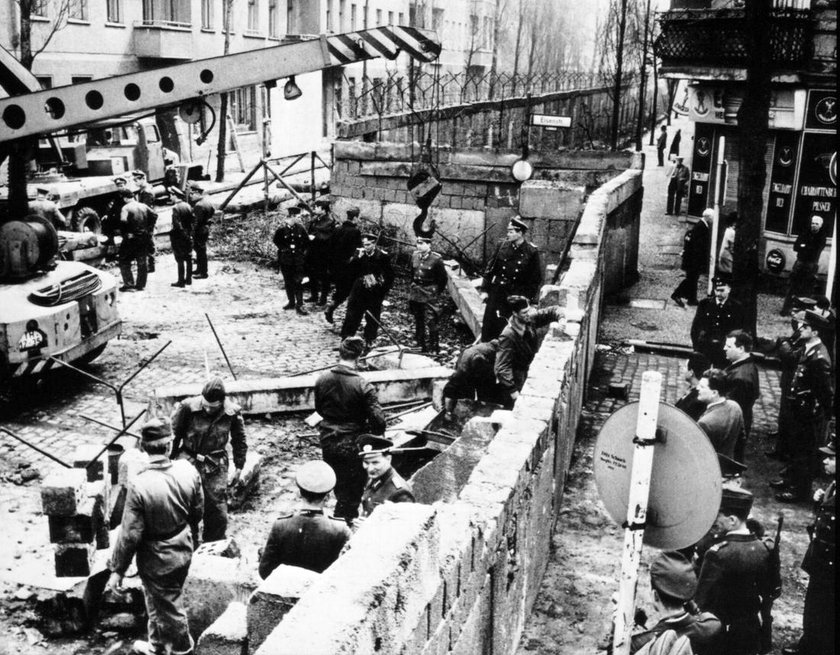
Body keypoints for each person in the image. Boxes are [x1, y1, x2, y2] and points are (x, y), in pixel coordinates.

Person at [105, 418, 203, 655]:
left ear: (143, 447)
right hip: (183, 544)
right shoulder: (188, 470)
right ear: (169, 445)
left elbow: (130, 534)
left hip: (157, 558)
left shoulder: (140, 485)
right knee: (159, 600)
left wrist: (117, 570)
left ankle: (182, 650)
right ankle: (157, 646)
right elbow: (198, 511)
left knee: (168, 606)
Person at [694, 487, 778, 655]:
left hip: (719, 635)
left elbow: (702, 601)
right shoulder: (764, 549)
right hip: (750, 631)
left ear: (732, 520)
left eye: (718, 516)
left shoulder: (718, 554)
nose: (714, 522)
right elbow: (771, 590)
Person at [314, 336, 386, 523]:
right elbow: (379, 421)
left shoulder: (322, 379)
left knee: (338, 484)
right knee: (353, 490)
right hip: (353, 444)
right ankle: (343, 525)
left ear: (340, 353)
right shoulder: (363, 386)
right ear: (359, 358)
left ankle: (341, 516)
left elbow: (319, 409)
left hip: (328, 440)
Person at [170, 376, 247, 542]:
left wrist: (239, 466)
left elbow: (239, 440)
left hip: (215, 463)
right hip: (188, 459)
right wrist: (170, 461)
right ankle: (189, 541)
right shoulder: (187, 407)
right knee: (185, 502)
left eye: (212, 408)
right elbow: (175, 435)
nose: (207, 410)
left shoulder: (232, 412)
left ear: (221, 402)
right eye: (205, 406)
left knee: (217, 508)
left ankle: (214, 545)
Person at [773, 310, 834, 503]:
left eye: (806, 327)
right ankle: (790, 479)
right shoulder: (808, 348)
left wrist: (824, 413)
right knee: (795, 446)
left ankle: (799, 490)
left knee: (804, 452)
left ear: (815, 332)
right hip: (799, 408)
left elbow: (825, 391)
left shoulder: (819, 358)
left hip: (809, 413)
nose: (801, 329)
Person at [782, 437, 835, 655]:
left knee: (824, 609)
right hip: (821, 560)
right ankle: (810, 642)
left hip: (830, 565)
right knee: (815, 606)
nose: (825, 461)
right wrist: (818, 503)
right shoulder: (833, 485)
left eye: (832, 458)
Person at [258, 460, 351, 578]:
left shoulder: (280, 526)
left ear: (299, 494)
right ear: (327, 497)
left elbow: (264, 571)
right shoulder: (340, 529)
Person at [630, 551, 722, 655]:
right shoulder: (710, 627)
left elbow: (614, 649)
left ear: (655, 595)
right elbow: (703, 618)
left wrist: (617, 622)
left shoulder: (639, 644)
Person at [480, 217, 543, 342]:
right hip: (497, 292)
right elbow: (490, 269)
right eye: (508, 231)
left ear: (520, 233)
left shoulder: (531, 251)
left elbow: (535, 279)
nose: (507, 234)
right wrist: (484, 290)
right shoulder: (502, 245)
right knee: (490, 326)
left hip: (515, 296)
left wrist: (527, 298)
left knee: (511, 330)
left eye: (511, 231)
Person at [495, 296, 564, 408]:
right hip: (516, 380)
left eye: (528, 310)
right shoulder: (508, 335)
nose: (528, 314)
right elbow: (502, 367)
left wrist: (561, 320)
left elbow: (552, 310)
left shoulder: (528, 320)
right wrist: (514, 392)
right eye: (524, 312)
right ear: (515, 313)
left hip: (528, 372)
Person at [340, 232, 394, 349]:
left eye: (368, 244)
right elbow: (349, 270)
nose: (366, 247)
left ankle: (370, 339)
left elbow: (390, 276)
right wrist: (356, 258)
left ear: (374, 244)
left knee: (372, 316)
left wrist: (382, 291)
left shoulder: (382, 256)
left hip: (374, 291)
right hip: (359, 289)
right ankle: (347, 339)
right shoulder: (359, 254)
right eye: (364, 244)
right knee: (352, 314)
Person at [767, 309, 806, 461]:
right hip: (788, 378)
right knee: (784, 415)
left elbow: (791, 356)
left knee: (788, 416)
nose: (793, 314)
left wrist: (783, 343)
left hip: (793, 380)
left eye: (797, 312)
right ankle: (781, 448)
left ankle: (783, 450)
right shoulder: (798, 331)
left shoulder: (803, 334)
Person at [690, 274, 746, 368]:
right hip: (705, 348)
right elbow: (695, 328)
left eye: (722, 290)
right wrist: (697, 348)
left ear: (729, 289)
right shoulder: (705, 304)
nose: (718, 294)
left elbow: (739, 331)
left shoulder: (736, 307)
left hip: (723, 351)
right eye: (716, 290)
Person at [442, 339, 504, 418]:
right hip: (473, 362)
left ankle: (450, 412)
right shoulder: (490, 352)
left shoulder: (485, 347)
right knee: (479, 388)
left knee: (467, 388)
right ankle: (451, 412)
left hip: (468, 360)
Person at [358, 434, 415, 519]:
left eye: (375, 463)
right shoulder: (375, 477)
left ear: (388, 459)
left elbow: (404, 527)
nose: (370, 469)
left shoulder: (400, 491)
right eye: (366, 462)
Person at [723, 330, 759, 462]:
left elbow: (729, 409)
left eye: (729, 346)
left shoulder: (741, 378)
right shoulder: (747, 367)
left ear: (741, 348)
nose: (724, 348)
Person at [408, 235, 448, 353]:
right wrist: (413, 285)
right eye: (418, 243)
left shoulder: (436, 259)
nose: (419, 246)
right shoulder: (415, 255)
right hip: (416, 291)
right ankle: (420, 343)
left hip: (429, 292)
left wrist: (435, 291)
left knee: (431, 319)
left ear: (429, 245)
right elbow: (412, 273)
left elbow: (443, 279)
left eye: (422, 243)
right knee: (418, 317)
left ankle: (434, 346)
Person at [781, 216, 828, 315]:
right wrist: (806, 247)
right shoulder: (804, 233)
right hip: (800, 262)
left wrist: (804, 246)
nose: (813, 225)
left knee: (807, 287)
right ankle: (786, 309)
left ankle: (803, 310)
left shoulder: (822, 237)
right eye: (812, 223)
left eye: (816, 224)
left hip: (811, 264)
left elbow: (816, 250)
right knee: (792, 285)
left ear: (820, 226)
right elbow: (796, 246)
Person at [324, 206, 362, 325]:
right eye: (358, 218)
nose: (359, 220)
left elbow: (329, 248)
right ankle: (334, 310)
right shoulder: (355, 232)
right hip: (349, 268)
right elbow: (358, 250)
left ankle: (331, 307)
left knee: (341, 289)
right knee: (348, 292)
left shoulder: (337, 229)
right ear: (355, 218)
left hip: (336, 267)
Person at [696, 368, 744, 460]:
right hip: (728, 462)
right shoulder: (735, 407)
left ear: (714, 393)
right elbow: (741, 438)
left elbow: (698, 453)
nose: (697, 388)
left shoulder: (705, 423)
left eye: (702, 387)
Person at [273, 205, 310, 315]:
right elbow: (276, 241)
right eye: (289, 217)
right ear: (287, 219)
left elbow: (306, 242)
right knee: (288, 282)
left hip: (298, 260)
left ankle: (300, 304)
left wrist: (302, 253)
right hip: (286, 260)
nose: (292, 219)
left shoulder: (301, 229)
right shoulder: (281, 230)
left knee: (298, 281)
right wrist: (284, 249)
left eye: (294, 217)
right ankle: (291, 302)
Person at [672, 208, 713, 307]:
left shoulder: (702, 225)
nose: (713, 220)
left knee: (693, 279)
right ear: (707, 217)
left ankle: (692, 299)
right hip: (694, 259)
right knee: (691, 279)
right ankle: (677, 294)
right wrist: (700, 261)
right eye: (712, 218)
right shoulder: (701, 227)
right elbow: (697, 246)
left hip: (693, 259)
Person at [118, 188, 152, 292]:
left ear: (124, 198)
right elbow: (154, 216)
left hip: (131, 238)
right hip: (144, 237)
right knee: (142, 261)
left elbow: (123, 222)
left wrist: (125, 234)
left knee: (124, 260)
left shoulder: (125, 208)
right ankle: (141, 285)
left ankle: (129, 284)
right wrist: (148, 229)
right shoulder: (143, 206)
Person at [305, 198, 336, 306]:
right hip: (312, 251)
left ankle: (323, 298)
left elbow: (328, 237)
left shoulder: (329, 221)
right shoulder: (315, 219)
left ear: (323, 210)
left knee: (323, 276)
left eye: (317, 207)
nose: (314, 209)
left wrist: (316, 237)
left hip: (323, 253)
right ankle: (314, 295)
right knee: (311, 273)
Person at [132, 170, 158, 273]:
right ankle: (149, 264)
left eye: (137, 179)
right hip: (146, 220)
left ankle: (151, 266)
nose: (135, 182)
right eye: (134, 180)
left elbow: (146, 209)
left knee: (149, 242)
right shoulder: (144, 190)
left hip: (147, 221)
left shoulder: (147, 192)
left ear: (143, 179)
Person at [674, 351, 711, 421]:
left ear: (691, 372)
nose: (682, 369)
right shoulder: (693, 389)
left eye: (684, 367)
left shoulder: (697, 398)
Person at [190, 184, 214, 280]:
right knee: (200, 250)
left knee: (201, 252)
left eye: (192, 193)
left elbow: (196, 222)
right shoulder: (207, 202)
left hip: (199, 231)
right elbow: (212, 211)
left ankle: (203, 273)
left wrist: (191, 233)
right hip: (205, 228)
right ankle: (199, 269)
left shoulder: (198, 205)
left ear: (197, 193)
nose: (191, 196)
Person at [169, 198, 193, 288]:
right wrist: (189, 233)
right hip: (188, 234)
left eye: (172, 195)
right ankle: (189, 279)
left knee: (180, 258)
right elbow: (192, 219)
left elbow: (176, 224)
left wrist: (176, 233)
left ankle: (181, 281)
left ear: (175, 196)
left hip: (179, 236)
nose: (171, 197)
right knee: (188, 258)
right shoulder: (188, 205)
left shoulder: (175, 207)